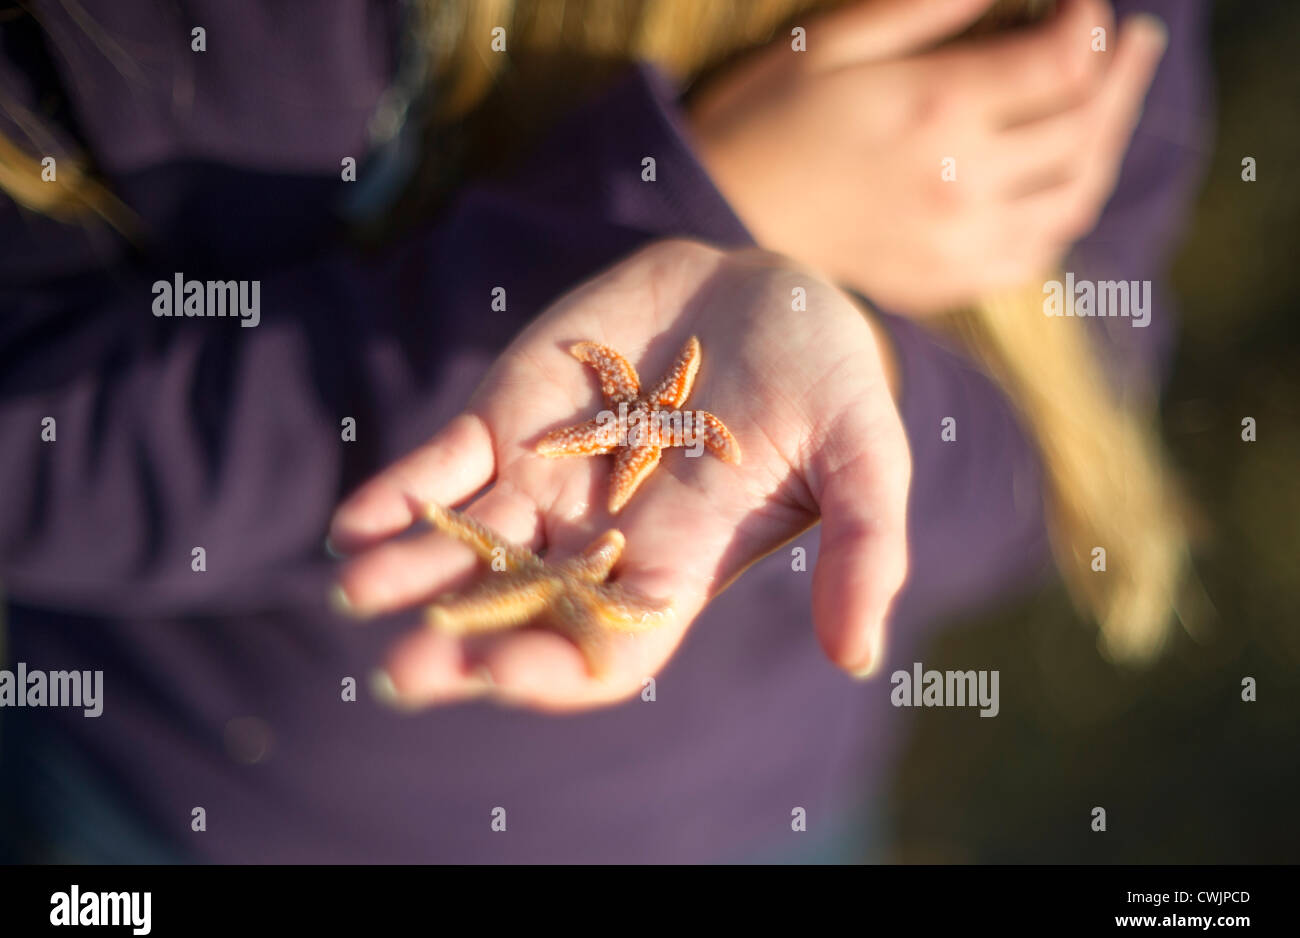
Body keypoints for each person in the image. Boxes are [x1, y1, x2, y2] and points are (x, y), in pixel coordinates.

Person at [0, 0, 1208, 862]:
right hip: (173, 804)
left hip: (739, 822)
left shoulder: (1040, 40)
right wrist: (715, 208)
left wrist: (861, 399)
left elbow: (1064, 452)